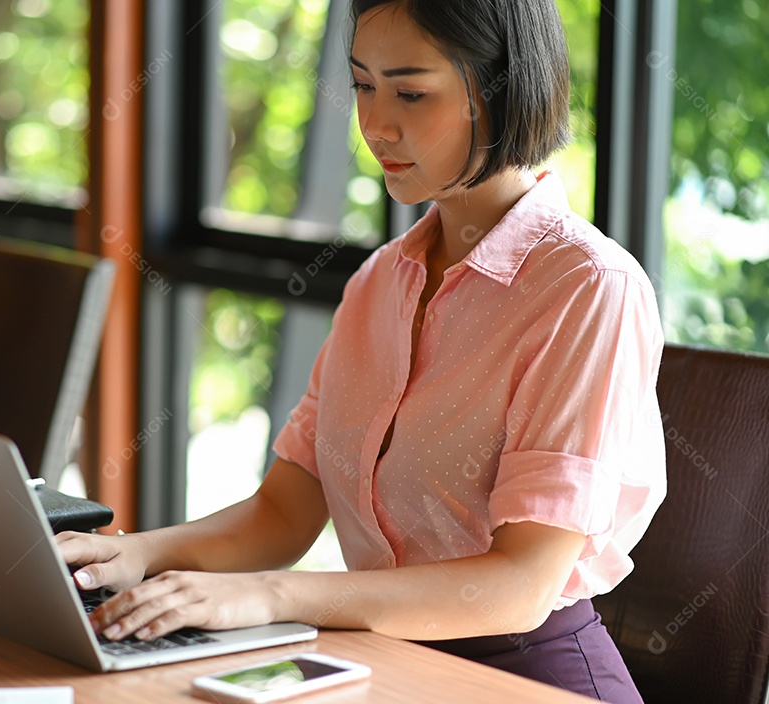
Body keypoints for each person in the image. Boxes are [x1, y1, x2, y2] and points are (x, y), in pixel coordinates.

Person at [58, 1, 665, 701]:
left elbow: (520, 587)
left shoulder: (587, 287)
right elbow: (283, 514)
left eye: (410, 92)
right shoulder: (380, 281)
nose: (375, 125)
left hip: (524, 678)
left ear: (500, 90)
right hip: (386, 666)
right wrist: (131, 554)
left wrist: (269, 596)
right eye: (362, 86)